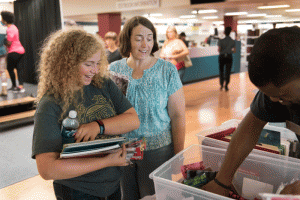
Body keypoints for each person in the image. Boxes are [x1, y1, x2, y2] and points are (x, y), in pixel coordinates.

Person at [31, 28, 140, 199]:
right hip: (78, 191)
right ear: (67, 63)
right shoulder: (50, 104)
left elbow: (133, 120)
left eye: (98, 63)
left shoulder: (103, 84)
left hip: (112, 185)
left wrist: (98, 127)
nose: (95, 70)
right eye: (88, 64)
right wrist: (106, 161)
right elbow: (47, 169)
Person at [202, 26, 300, 196]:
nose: (275, 101)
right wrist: (222, 181)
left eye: (283, 95)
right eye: (269, 95)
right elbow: (251, 126)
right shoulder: (275, 91)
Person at [109, 16, 186, 200]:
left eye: (149, 38)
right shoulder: (114, 69)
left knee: (154, 197)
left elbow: (178, 115)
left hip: (158, 151)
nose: (145, 44)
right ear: (127, 40)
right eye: (138, 38)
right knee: (126, 196)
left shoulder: (166, 70)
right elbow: (111, 113)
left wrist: (178, 156)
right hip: (123, 150)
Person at [1, 11, 25, 93]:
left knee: (9, 68)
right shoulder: (14, 27)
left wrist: (2, 40)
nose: (1, 20)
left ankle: (14, 86)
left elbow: (9, 43)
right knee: (18, 68)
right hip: (20, 50)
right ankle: (20, 86)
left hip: (14, 51)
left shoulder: (10, 29)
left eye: (2, 18)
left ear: (5, 20)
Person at [218, 26, 236, 91]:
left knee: (221, 71)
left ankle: (221, 84)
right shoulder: (232, 41)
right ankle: (226, 86)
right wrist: (229, 50)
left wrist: (223, 50)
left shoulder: (221, 41)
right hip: (229, 56)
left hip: (222, 57)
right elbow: (234, 51)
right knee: (228, 71)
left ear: (224, 32)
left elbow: (219, 50)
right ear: (230, 32)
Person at [0, 22, 7, 96]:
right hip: (2, 51)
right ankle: (4, 89)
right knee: (3, 71)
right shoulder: (4, 28)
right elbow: (6, 41)